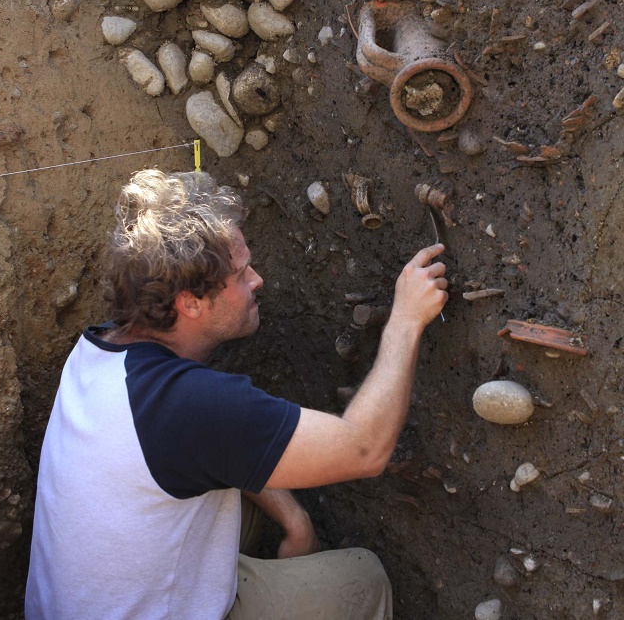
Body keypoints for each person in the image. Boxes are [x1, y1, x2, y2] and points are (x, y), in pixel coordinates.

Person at [24, 169, 449, 620]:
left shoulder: (99, 351)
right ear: (190, 302)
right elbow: (364, 449)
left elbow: (217, 443)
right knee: (363, 579)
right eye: (241, 274)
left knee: (243, 512)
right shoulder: (189, 405)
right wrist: (405, 319)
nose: (258, 280)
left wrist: (294, 519)